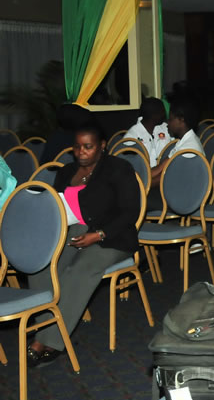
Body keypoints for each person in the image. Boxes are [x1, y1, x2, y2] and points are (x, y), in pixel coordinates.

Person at [27, 122, 140, 367]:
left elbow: (130, 212)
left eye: (88, 147)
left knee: (78, 271)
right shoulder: (66, 172)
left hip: (112, 236)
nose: (81, 152)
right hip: (75, 232)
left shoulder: (119, 169)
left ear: (102, 146)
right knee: (42, 268)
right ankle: (44, 331)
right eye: (77, 147)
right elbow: (56, 208)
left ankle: (50, 342)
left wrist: (98, 235)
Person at [148, 100, 204, 210]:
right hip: (175, 193)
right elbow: (161, 167)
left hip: (182, 199)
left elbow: (164, 177)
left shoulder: (189, 147)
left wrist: (140, 185)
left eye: (170, 119)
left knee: (134, 198)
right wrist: (139, 178)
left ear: (181, 120)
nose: (168, 123)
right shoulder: (183, 141)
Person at [123, 97, 172, 166]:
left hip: (165, 172)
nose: (164, 114)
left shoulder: (165, 128)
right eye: (162, 111)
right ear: (154, 115)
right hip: (143, 175)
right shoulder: (131, 137)